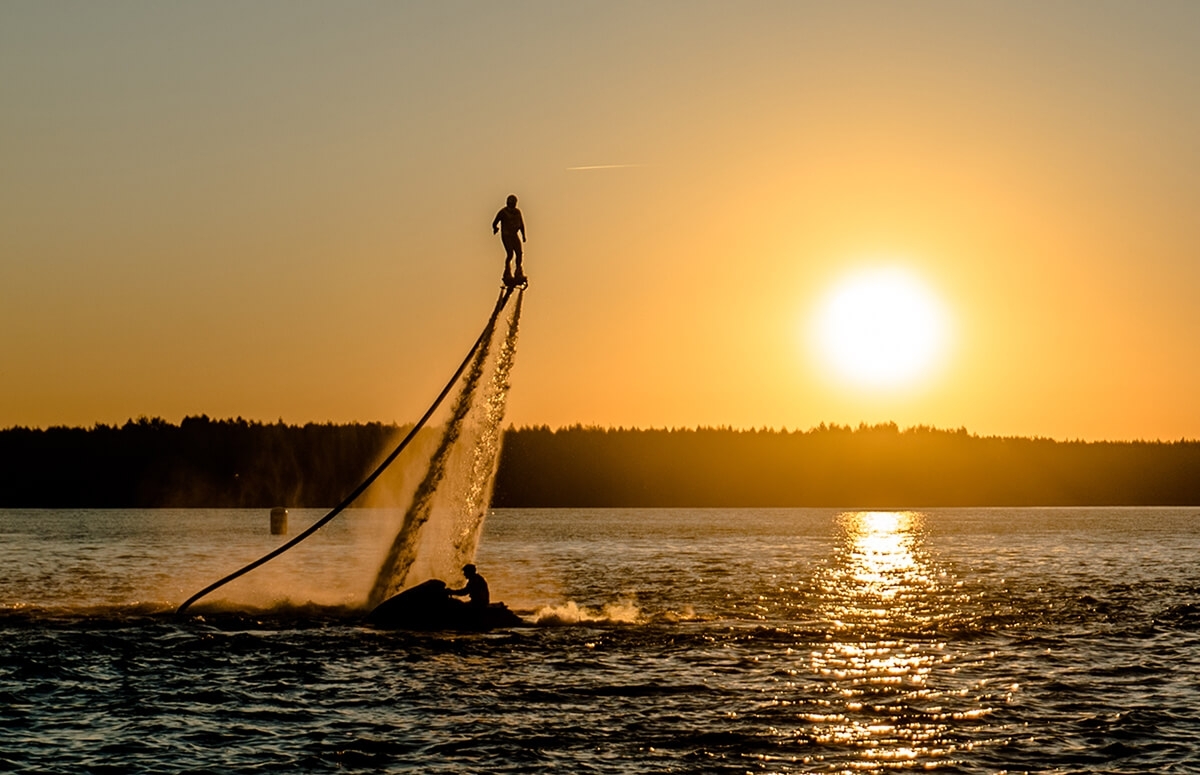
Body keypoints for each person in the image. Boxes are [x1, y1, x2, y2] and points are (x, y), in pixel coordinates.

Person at [492, 194, 526, 284]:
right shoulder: (503, 212)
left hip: (514, 235)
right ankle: (507, 272)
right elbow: (495, 222)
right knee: (510, 253)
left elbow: (521, 224)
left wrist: (523, 235)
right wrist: (495, 228)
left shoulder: (517, 212)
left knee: (519, 253)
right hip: (506, 235)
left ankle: (518, 271)